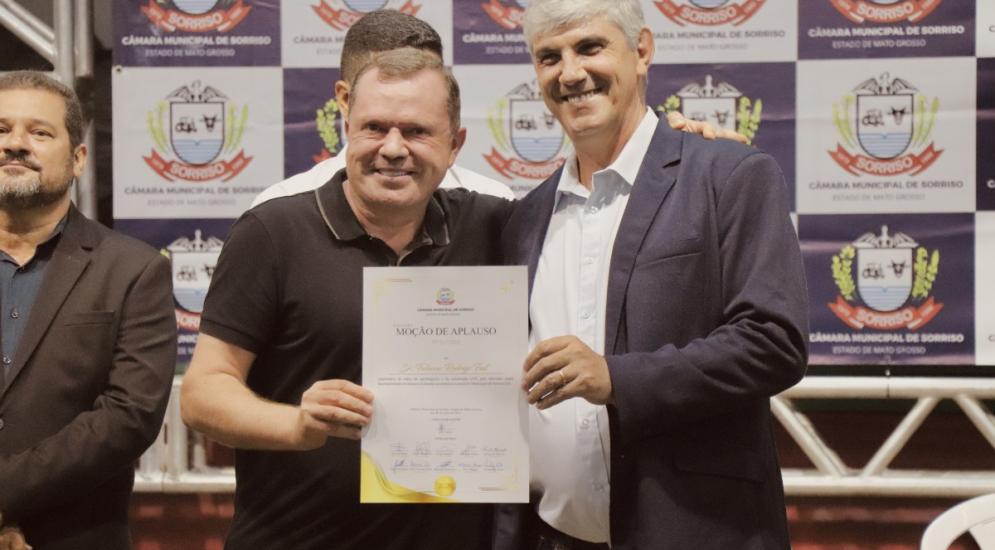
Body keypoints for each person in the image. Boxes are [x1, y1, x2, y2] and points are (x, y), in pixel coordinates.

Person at [497, 1, 809, 549]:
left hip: (697, 536)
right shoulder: (525, 217)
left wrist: (616, 378)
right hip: (554, 536)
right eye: (549, 57)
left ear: (641, 50)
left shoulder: (730, 175)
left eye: (590, 48)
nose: (570, 73)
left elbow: (773, 342)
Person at [180, 48, 513, 550]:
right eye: (374, 127)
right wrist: (297, 423)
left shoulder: (494, 226)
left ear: (454, 145)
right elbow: (202, 393)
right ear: (346, 129)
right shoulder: (273, 233)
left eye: (417, 132)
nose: (393, 148)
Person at [251, 9, 740, 208]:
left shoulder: (499, 209)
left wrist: (677, 148)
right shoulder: (279, 212)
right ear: (345, 99)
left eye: (423, 87)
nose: (571, 73)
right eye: (384, 91)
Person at [0, 71, 176, 550]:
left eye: (39, 132)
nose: (15, 143)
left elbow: (129, 416)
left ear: (78, 158)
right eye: (2, 129)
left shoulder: (133, 270)